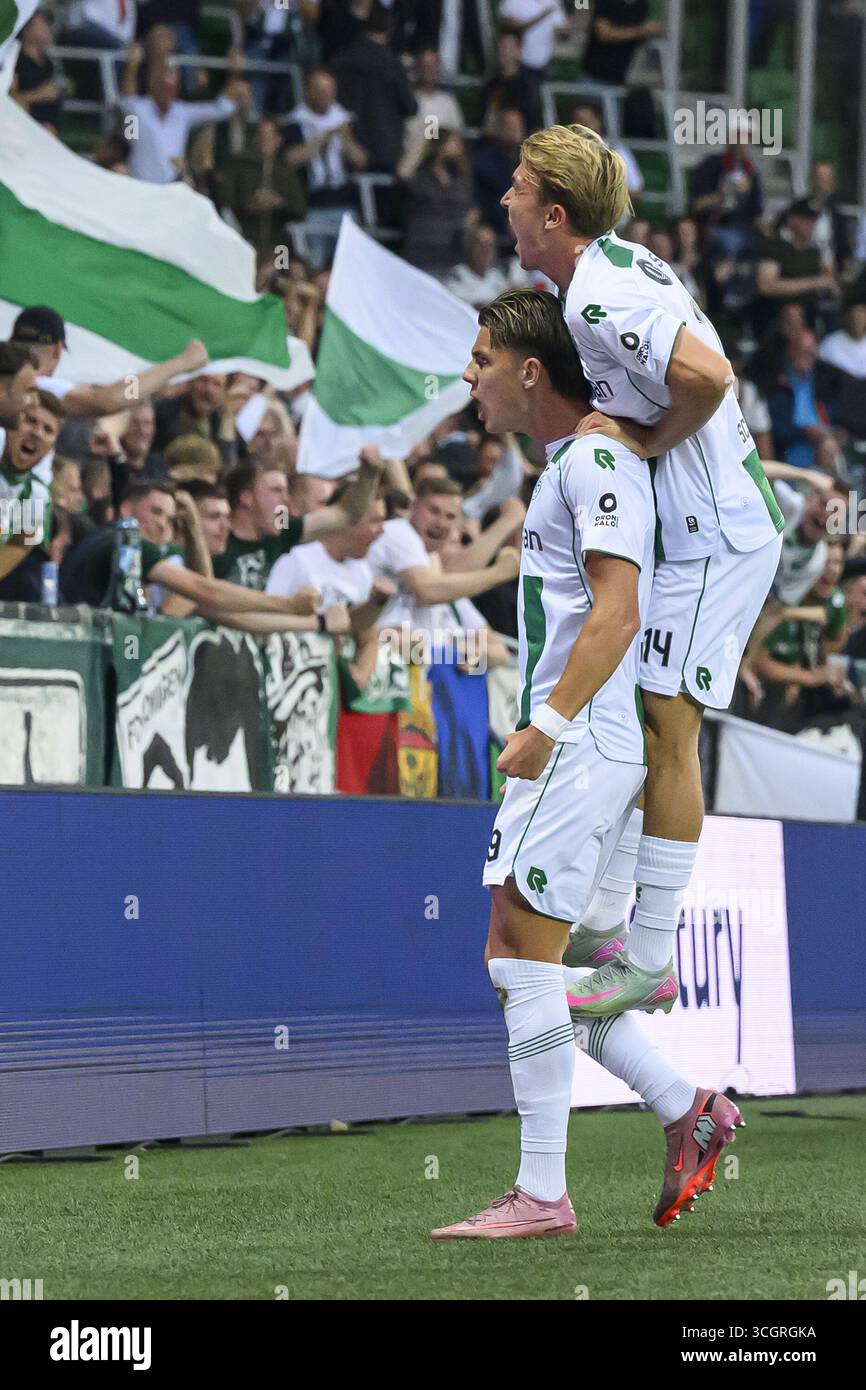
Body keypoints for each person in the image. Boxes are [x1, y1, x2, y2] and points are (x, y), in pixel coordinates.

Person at [431, 288, 741, 1241]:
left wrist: (546, 725)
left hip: (583, 744)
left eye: (481, 359)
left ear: (531, 372)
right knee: (562, 972)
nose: (469, 378)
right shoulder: (579, 461)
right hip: (608, 746)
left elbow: (618, 611)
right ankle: (690, 1108)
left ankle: (542, 1196)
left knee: (513, 948)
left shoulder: (595, 461)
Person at [501, 123, 784, 1019]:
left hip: (715, 532)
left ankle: (652, 955)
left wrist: (647, 438)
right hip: (700, 525)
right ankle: (621, 925)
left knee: (668, 723)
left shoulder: (597, 301)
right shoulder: (614, 266)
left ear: (553, 213)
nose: (503, 200)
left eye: (516, 188)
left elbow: (712, 373)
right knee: (645, 708)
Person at [215, 447, 385, 591]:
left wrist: (369, 475)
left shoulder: (282, 532)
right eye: (276, 490)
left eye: (286, 491)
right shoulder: (216, 542)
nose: (286, 499)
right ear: (246, 498)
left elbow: (346, 514)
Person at [283, 69, 368, 267]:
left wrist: (345, 138)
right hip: (313, 204)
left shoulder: (346, 120)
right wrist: (322, 139)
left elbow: (361, 160)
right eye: (319, 90)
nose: (324, 95)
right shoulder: (296, 121)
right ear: (309, 92)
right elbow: (291, 159)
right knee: (314, 263)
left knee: (347, 264)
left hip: (344, 203)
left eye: (329, 90)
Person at [117, 53, 245, 185]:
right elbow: (127, 103)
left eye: (172, 88)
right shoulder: (138, 109)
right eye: (163, 86)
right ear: (153, 85)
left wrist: (235, 75)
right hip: (140, 186)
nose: (167, 92)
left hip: (171, 190)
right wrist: (132, 67)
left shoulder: (182, 113)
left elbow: (223, 109)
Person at [331, 10, 417, 174]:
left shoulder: (341, 59)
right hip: (386, 148)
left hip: (350, 145)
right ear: (390, 30)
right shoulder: (393, 64)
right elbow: (411, 107)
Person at [220, 115, 307, 253]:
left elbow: (300, 211)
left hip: (280, 245)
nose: (263, 141)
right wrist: (249, 205)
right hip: (245, 241)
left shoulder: (286, 172)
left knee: (288, 270)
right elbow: (226, 204)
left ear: (278, 140)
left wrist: (278, 202)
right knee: (254, 271)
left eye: (268, 137)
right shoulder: (239, 166)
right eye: (260, 136)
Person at [11, 9, 64, 131]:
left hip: (49, 124)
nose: (47, 28)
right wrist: (39, 94)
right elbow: (10, 99)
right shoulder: (14, 61)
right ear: (26, 29)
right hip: (23, 123)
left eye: (47, 24)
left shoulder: (49, 64)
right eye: (42, 24)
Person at [443, 224, 508, 308]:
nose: (486, 250)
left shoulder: (497, 276)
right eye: (482, 245)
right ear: (471, 247)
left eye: (490, 245)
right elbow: (459, 306)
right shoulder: (457, 276)